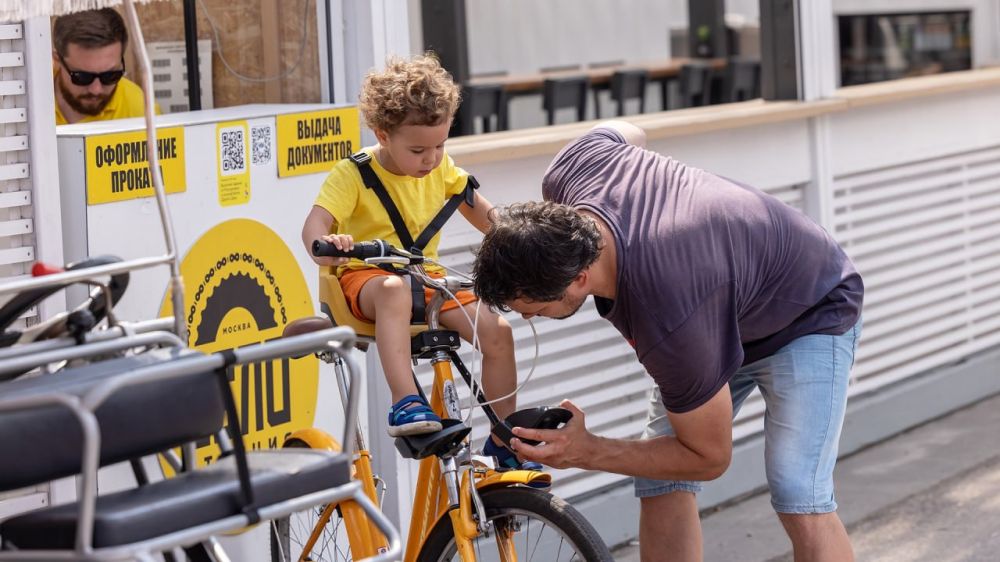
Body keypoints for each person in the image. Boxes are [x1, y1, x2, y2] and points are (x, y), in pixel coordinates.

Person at [473, 120, 864, 561]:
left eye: (534, 308)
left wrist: (588, 451)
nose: (528, 317)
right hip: (722, 302)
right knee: (658, 475)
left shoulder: (669, 318)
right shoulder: (576, 169)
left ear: (579, 277)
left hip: (810, 307)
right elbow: (626, 130)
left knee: (798, 490)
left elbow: (708, 457)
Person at [301, 55, 530, 468]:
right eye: (419, 149)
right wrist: (329, 242)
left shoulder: (441, 169)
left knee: (497, 331)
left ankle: (502, 440)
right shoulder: (353, 174)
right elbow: (314, 227)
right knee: (394, 291)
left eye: (441, 145)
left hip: (426, 279)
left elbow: (484, 213)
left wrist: (518, 241)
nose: (432, 158)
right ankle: (405, 400)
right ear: (383, 135)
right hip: (366, 278)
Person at [52, 8, 157, 125]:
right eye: (83, 77)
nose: (96, 90)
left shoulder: (140, 111)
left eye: (110, 76)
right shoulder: (35, 99)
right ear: (57, 60)